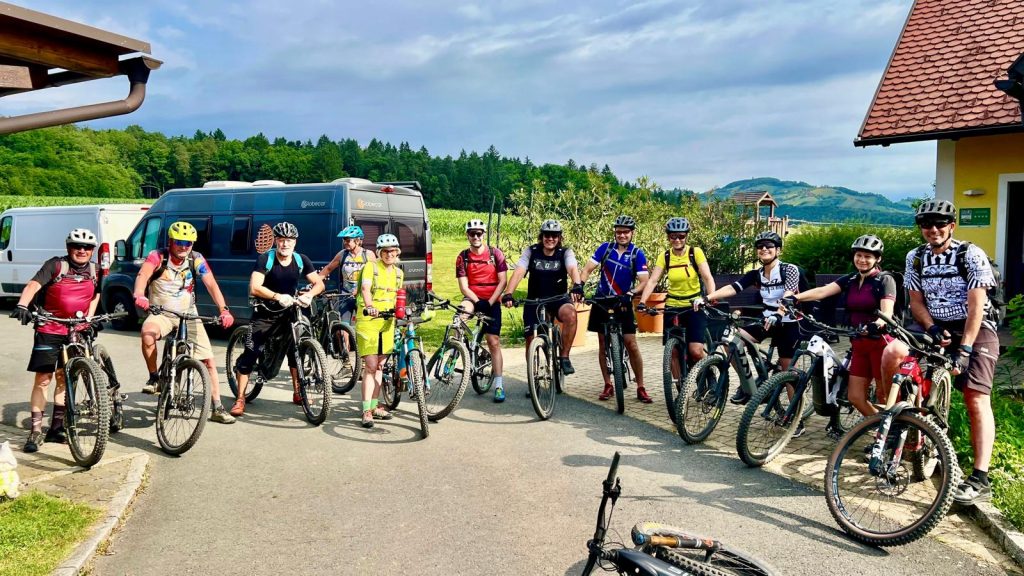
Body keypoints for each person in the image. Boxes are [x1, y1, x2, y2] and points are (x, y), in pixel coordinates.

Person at [880, 200, 1000, 505]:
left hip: (976, 327)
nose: (933, 229)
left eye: (940, 224)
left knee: (976, 397)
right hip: (935, 324)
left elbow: (976, 306)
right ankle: (898, 425)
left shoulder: (970, 254)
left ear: (952, 226)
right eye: (926, 224)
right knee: (893, 352)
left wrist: (965, 349)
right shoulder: (915, 257)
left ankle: (980, 478)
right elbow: (916, 301)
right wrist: (931, 327)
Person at [785, 234, 896, 436]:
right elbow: (823, 291)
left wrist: (877, 324)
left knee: (883, 396)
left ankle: (887, 437)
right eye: (859, 255)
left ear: (877, 259)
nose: (862, 260)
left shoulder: (884, 280)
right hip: (859, 344)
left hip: (880, 344)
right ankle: (884, 430)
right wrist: (795, 298)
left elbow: (887, 313)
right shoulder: (851, 279)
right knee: (855, 397)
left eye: (868, 256)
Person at [133, 222, 237, 424]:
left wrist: (224, 310)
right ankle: (154, 377)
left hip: (188, 314)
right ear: (171, 241)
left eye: (188, 243)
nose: (183, 246)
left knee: (208, 361)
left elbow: (211, 284)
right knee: (147, 334)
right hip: (162, 313)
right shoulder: (158, 256)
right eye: (179, 242)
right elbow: (143, 275)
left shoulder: (195, 258)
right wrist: (139, 294)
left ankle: (217, 407)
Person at [10, 229, 101, 452]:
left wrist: (89, 318)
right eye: (77, 246)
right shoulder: (56, 265)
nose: (82, 250)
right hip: (50, 327)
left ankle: (57, 428)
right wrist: (22, 304)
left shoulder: (95, 270)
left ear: (92, 250)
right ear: (68, 247)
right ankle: (35, 431)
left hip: (76, 329)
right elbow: (34, 285)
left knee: (63, 377)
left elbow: (96, 294)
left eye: (87, 247)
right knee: (43, 379)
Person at [693, 231, 801, 408]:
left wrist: (779, 313)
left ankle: (794, 415)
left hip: (788, 322)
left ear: (778, 250)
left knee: (788, 371)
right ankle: (747, 385)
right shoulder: (756, 274)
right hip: (766, 320)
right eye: (760, 246)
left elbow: (789, 294)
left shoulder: (789, 269)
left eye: (769, 246)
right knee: (731, 341)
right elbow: (733, 288)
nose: (764, 249)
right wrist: (707, 298)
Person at [230, 222, 324, 417]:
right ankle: (240, 398)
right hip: (265, 313)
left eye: (289, 240)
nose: (285, 244)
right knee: (251, 353)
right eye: (281, 240)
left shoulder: (301, 259)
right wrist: (277, 296)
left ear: (295, 242)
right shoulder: (266, 259)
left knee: (296, 352)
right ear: (275, 241)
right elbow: (255, 287)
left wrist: (309, 295)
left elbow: (319, 283)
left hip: (290, 312)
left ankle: (298, 393)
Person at [579, 215, 652, 403]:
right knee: (602, 344)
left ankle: (641, 387)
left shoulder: (637, 253)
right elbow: (587, 270)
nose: (622, 235)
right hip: (602, 300)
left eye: (626, 232)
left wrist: (631, 293)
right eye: (619, 232)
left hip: (623, 301)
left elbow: (644, 281)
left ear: (632, 233)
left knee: (631, 343)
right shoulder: (605, 249)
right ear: (615, 232)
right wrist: (579, 286)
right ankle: (608, 384)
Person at [637, 217, 716, 385]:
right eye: (673, 236)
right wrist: (642, 302)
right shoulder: (665, 256)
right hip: (672, 306)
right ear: (668, 237)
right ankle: (681, 385)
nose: (677, 240)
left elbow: (707, 277)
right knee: (672, 351)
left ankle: (710, 375)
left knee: (695, 351)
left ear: (686, 236)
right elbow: (652, 281)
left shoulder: (695, 252)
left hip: (694, 305)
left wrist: (710, 298)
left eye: (681, 236)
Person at [502, 219, 581, 384]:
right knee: (530, 339)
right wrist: (509, 293)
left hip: (558, 299)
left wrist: (577, 285)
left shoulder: (565, 252)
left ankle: (564, 357)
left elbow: (572, 268)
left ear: (559, 237)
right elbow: (519, 271)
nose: (550, 239)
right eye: (547, 235)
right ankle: (533, 378)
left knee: (571, 315)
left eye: (554, 235)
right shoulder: (531, 251)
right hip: (534, 300)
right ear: (542, 236)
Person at [455, 219, 509, 402]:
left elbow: (503, 281)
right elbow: (464, 286)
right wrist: (477, 302)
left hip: (492, 298)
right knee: (459, 319)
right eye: (472, 233)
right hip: (473, 297)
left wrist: (490, 302)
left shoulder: (495, 254)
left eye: (479, 233)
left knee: (493, 341)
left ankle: (499, 385)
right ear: (467, 235)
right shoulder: (463, 257)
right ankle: (455, 353)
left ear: (483, 234)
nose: (476, 237)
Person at [355, 234, 404, 428]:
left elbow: (398, 296)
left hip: (387, 322)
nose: (389, 254)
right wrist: (370, 305)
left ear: (397, 252)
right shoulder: (371, 267)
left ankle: (374, 406)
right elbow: (365, 289)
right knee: (371, 365)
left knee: (381, 366)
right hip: (369, 319)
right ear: (379, 252)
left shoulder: (399, 273)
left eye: (392, 251)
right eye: (385, 251)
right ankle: (366, 410)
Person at [319, 225, 376, 323]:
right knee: (343, 325)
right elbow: (328, 268)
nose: (345, 243)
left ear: (357, 241)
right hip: (346, 294)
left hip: (362, 296)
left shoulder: (368, 254)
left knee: (363, 324)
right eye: (344, 240)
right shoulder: (342, 254)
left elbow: (375, 275)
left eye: (348, 240)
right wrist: (315, 282)